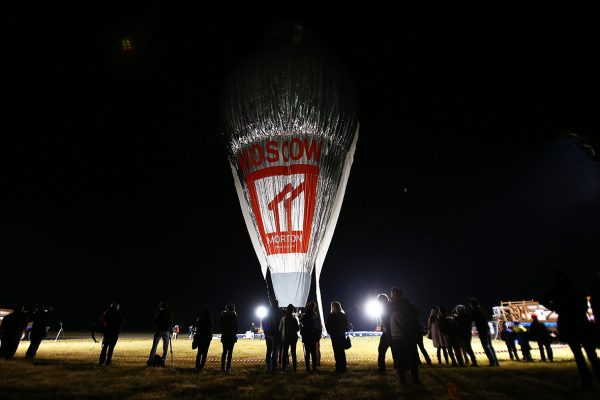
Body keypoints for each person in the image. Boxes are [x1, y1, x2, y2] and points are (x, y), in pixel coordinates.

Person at [541, 270, 600, 390]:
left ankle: (587, 383)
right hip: (581, 322)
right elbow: (585, 305)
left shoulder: (556, 290)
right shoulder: (576, 289)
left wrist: (556, 307)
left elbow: (542, 299)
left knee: (578, 355)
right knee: (591, 354)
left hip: (567, 323)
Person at [388, 288, 420, 384]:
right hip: (396, 337)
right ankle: (404, 379)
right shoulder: (393, 306)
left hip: (406, 336)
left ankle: (414, 379)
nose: (392, 297)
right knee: (400, 359)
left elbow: (417, 313)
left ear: (398, 295)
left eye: (393, 295)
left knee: (410, 359)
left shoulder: (403, 305)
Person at [469, 298, 500, 367]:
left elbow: (471, 318)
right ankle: (496, 362)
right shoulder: (482, 309)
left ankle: (492, 363)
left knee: (486, 346)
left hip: (482, 330)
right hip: (487, 329)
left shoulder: (475, 310)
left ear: (472, 305)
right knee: (490, 346)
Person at [147, 300, 172, 367]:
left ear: (161, 307)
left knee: (154, 346)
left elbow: (155, 321)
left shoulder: (159, 313)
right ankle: (163, 361)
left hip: (159, 331)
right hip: (166, 331)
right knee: (165, 348)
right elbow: (170, 322)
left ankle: (150, 361)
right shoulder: (169, 313)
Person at [326, 301, 349, 373]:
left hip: (335, 336)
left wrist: (330, 333)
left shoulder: (332, 316)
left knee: (337, 351)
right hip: (341, 335)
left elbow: (328, 326)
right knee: (341, 351)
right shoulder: (343, 315)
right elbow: (346, 325)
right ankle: (343, 366)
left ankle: (338, 366)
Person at [300, 301, 321, 372]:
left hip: (307, 337)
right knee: (313, 353)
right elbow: (318, 327)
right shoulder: (316, 315)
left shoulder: (306, 316)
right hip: (313, 337)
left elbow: (304, 327)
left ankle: (308, 367)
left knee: (308, 353)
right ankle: (314, 367)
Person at [263, 298, 282, 372]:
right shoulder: (278, 311)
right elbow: (279, 323)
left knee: (269, 350)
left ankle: (268, 366)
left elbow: (263, 322)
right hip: (275, 334)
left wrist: (265, 331)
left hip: (268, 333)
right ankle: (273, 366)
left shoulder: (268, 311)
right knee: (275, 350)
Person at [280, 304, 299, 371]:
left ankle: (283, 368)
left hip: (285, 338)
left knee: (284, 353)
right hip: (293, 338)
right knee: (293, 353)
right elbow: (297, 329)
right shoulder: (294, 319)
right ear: (292, 311)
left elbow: (280, 329)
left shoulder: (283, 319)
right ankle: (294, 368)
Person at [219, 303, 238, 372]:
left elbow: (221, 325)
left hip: (225, 335)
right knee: (230, 352)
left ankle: (222, 367)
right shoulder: (234, 315)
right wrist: (234, 333)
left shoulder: (223, 315)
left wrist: (223, 331)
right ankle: (228, 367)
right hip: (231, 336)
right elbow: (236, 326)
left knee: (224, 352)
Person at [376, 294, 392, 371]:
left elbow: (386, 321)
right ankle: (400, 367)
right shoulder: (389, 306)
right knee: (394, 351)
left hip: (388, 333)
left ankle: (381, 367)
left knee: (381, 350)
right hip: (389, 332)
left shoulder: (386, 307)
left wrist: (384, 328)